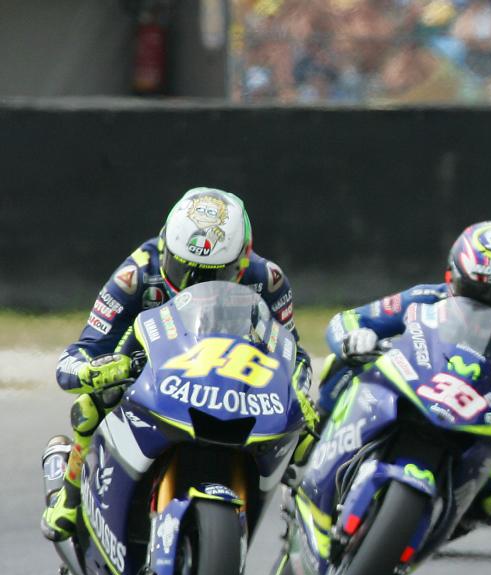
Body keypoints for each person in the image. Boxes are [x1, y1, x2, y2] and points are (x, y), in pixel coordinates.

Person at [41, 187, 314, 541]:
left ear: (241, 263)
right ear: (166, 246)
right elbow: (78, 354)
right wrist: (93, 370)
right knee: (92, 402)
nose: (190, 283)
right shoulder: (136, 275)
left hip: (233, 376)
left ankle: (303, 530)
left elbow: (292, 352)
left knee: (304, 435)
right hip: (151, 366)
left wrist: (299, 389)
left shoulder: (268, 281)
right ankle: (70, 493)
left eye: (210, 274)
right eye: (181, 267)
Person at [305, 220, 491, 533]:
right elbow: (348, 320)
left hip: (483, 425)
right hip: (419, 389)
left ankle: (457, 509)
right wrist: (353, 339)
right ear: (450, 278)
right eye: (475, 293)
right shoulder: (425, 297)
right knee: (343, 363)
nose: (487, 306)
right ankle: (315, 438)